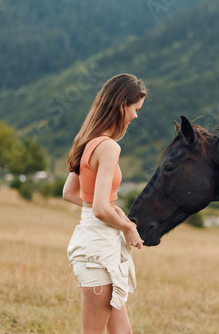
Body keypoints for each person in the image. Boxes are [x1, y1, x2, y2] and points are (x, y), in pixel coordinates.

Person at [63, 73, 146, 334]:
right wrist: (127, 226)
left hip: (95, 242)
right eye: (135, 109)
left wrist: (112, 210)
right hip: (98, 249)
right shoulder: (109, 147)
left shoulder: (87, 140)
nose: (135, 116)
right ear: (122, 105)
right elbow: (99, 208)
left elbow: (71, 192)